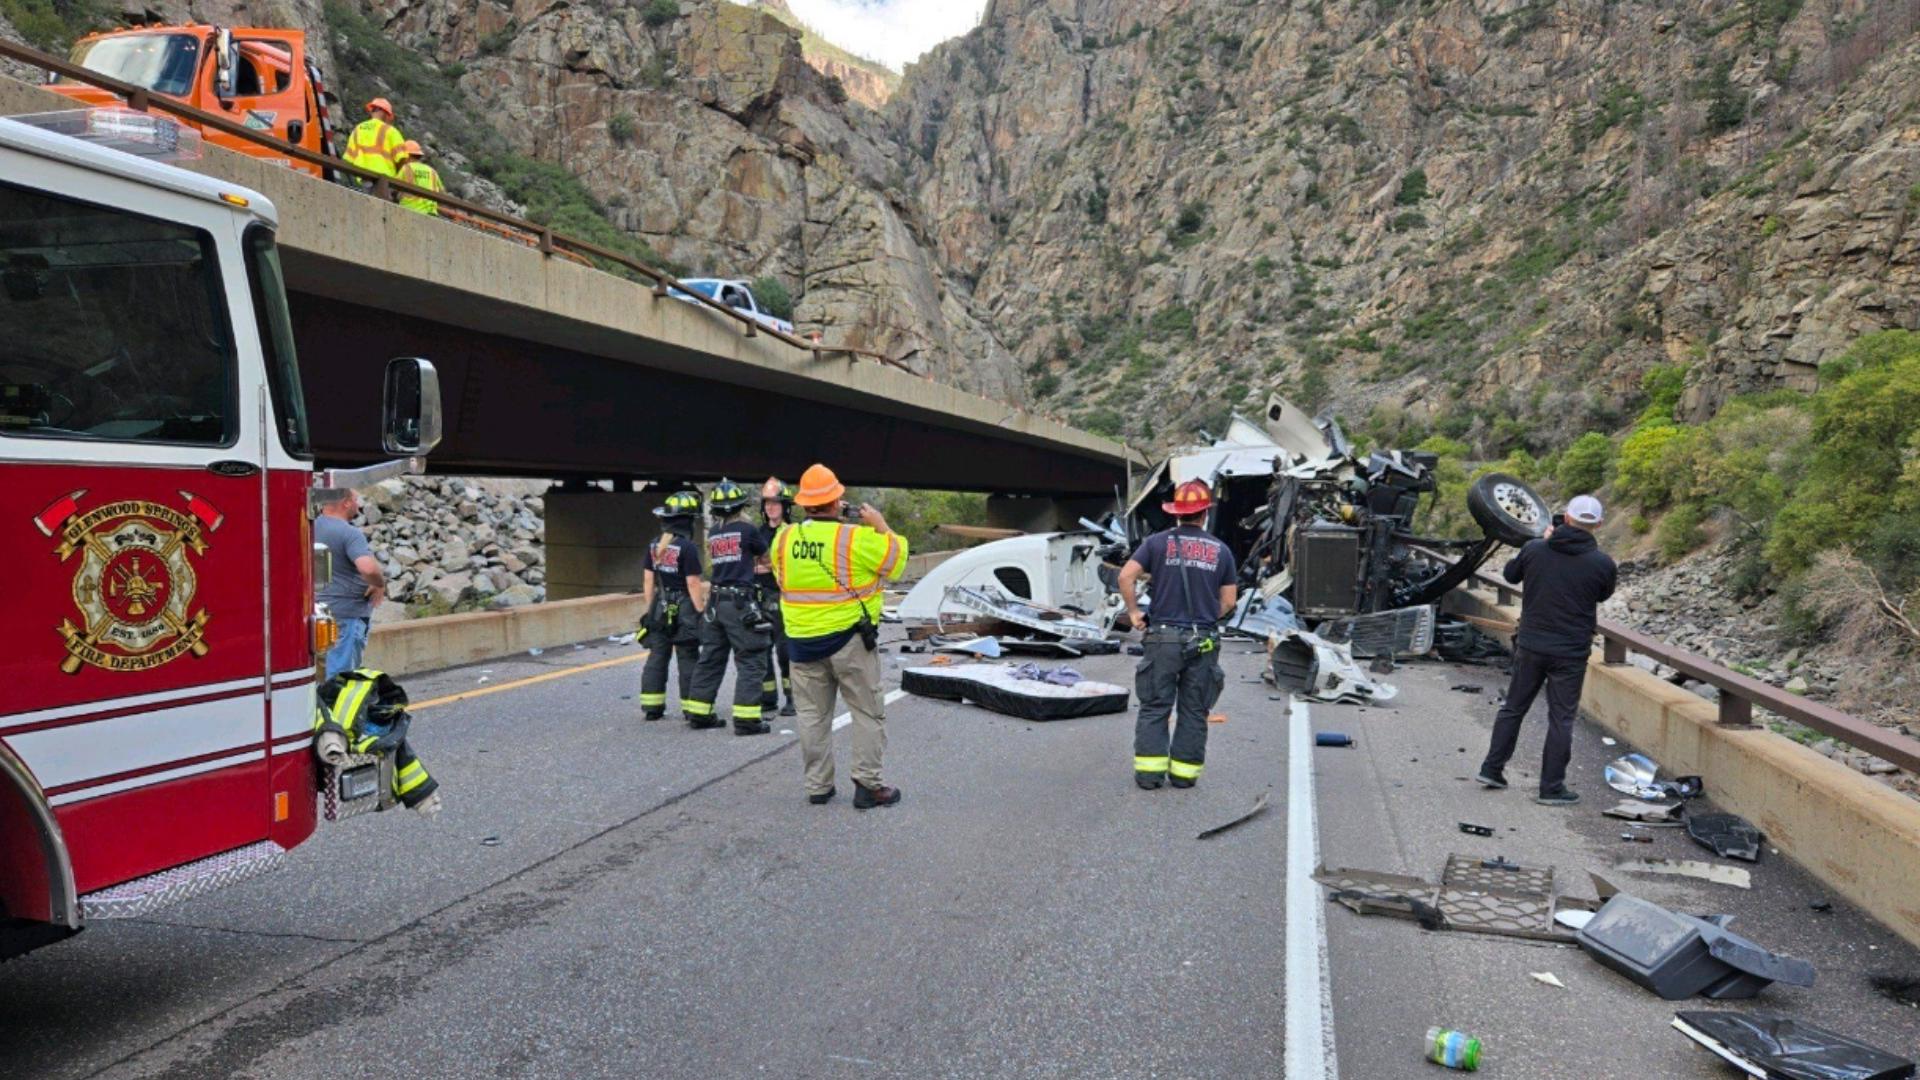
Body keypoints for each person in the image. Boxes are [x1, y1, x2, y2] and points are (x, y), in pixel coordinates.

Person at [771, 464, 908, 809]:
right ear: (836, 502)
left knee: (812, 717)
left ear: (804, 504)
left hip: (801, 642)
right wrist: (881, 525)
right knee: (867, 712)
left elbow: (781, 578)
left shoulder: (783, 539)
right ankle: (868, 786)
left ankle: (818, 786)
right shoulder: (855, 538)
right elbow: (896, 561)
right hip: (850, 642)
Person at [1477, 494, 1618, 806]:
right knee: (1561, 719)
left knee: (1513, 707)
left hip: (1531, 644)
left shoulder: (1535, 549)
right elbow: (1603, 594)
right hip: (1571, 651)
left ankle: (1492, 768)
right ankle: (1551, 788)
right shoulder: (1602, 563)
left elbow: (1510, 575)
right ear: (1598, 525)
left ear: (1565, 518)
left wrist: (1542, 542)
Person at [1118, 480, 1238, 791]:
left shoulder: (1156, 544)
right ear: (1205, 514)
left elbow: (1126, 576)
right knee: (1194, 709)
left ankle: (1149, 775)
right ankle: (1184, 775)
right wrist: (1205, 618)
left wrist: (1134, 612)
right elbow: (1228, 602)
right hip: (1203, 640)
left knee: (1155, 706)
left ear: (1176, 512)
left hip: (1163, 639)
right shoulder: (1221, 551)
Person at [684, 480, 774, 736]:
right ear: (740, 506)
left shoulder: (714, 533)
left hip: (716, 602)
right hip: (739, 603)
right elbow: (767, 558)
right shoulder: (748, 530)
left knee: (711, 658)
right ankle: (747, 720)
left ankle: (699, 713)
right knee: (752, 658)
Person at [638, 489, 708, 724]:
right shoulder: (687, 548)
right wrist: (700, 612)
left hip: (660, 607)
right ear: (687, 522)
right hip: (685, 608)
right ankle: (690, 708)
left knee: (658, 656)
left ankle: (652, 707)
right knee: (688, 657)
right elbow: (693, 583)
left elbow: (648, 580)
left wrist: (650, 611)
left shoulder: (654, 546)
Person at [313, 488, 386, 680]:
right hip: (346, 615)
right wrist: (380, 583)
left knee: (317, 677)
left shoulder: (309, 527)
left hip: (315, 613)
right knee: (341, 678)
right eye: (355, 499)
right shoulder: (349, 533)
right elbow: (367, 568)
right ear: (346, 502)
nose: (358, 504)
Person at [757, 477, 798, 717]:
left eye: (775, 503)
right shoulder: (758, 533)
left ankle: (792, 698)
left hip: (784, 598)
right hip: (760, 596)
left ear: (785, 506)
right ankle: (768, 697)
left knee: (785, 651)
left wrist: (768, 565)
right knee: (761, 649)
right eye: (767, 503)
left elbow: (786, 565)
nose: (771, 507)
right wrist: (768, 565)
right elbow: (754, 564)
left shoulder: (793, 532)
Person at [343, 97, 406, 185]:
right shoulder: (391, 131)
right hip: (385, 179)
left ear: (372, 111)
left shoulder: (358, 129)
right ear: (384, 113)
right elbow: (402, 159)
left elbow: (348, 159)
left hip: (363, 178)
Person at [396, 141, 445, 216]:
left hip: (409, 210)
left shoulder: (406, 168)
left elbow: (394, 186)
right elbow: (442, 193)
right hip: (430, 213)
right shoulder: (432, 171)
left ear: (406, 155)